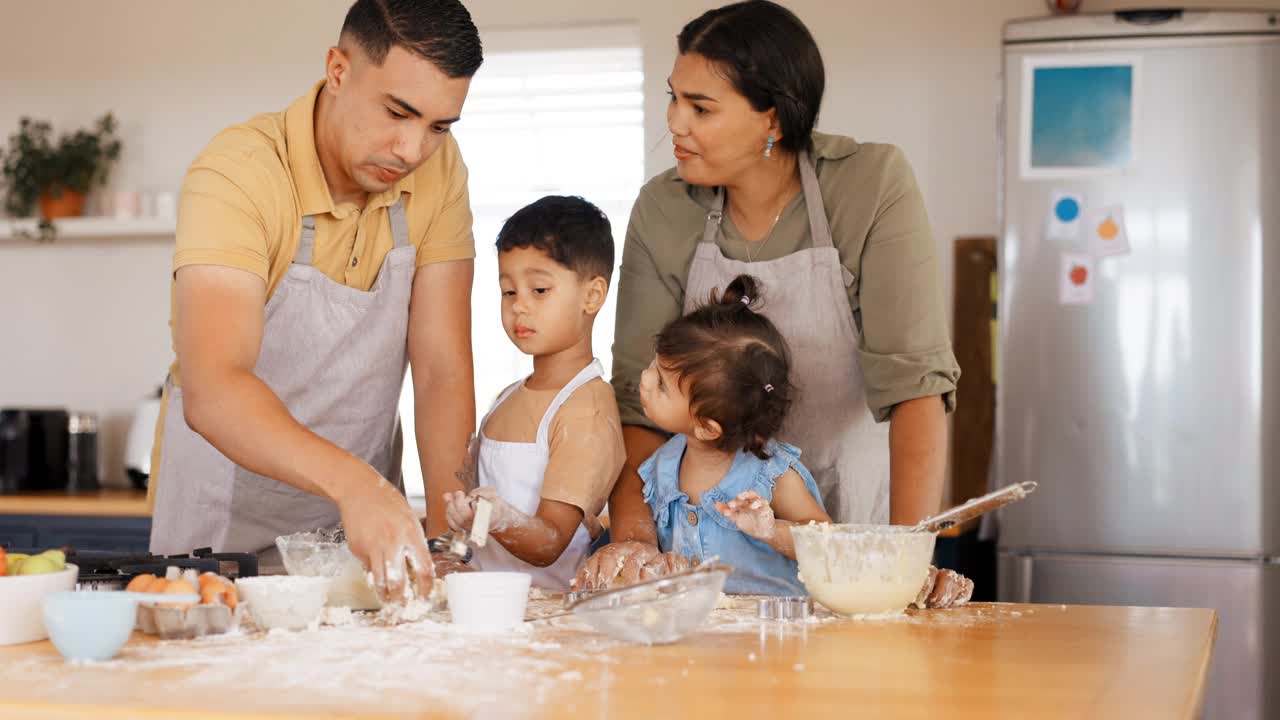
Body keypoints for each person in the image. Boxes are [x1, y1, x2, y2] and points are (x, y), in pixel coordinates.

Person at [578, 0, 971, 605]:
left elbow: (915, 383)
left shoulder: (868, 185)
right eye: (673, 97)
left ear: (773, 119)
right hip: (704, 552)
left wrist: (903, 556)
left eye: (701, 107)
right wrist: (636, 537)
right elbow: (637, 397)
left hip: (849, 525)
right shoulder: (663, 208)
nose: (674, 122)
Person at [148, 0, 482, 602]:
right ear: (337, 70)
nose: (411, 151)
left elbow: (440, 370)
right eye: (398, 112)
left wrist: (442, 537)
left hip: (361, 541)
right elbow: (215, 386)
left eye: (439, 126)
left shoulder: (439, 172)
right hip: (222, 542)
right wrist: (356, 485)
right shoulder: (238, 174)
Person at [579, 275, 830, 595]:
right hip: (699, 634)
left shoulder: (771, 476)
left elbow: (828, 542)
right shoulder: (661, 469)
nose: (643, 379)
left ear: (707, 427)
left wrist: (771, 530)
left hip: (776, 634)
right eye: (654, 367)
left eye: (661, 385)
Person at [442, 196, 625, 591]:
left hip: (553, 618)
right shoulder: (507, 397)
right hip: (491, 608)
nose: (519, 307)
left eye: (539, 290)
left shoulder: (585, 408)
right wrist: (463, 525)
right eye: (508, 292)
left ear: (592, 296)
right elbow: (475, 539)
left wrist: (494, 518)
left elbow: (550, 544)